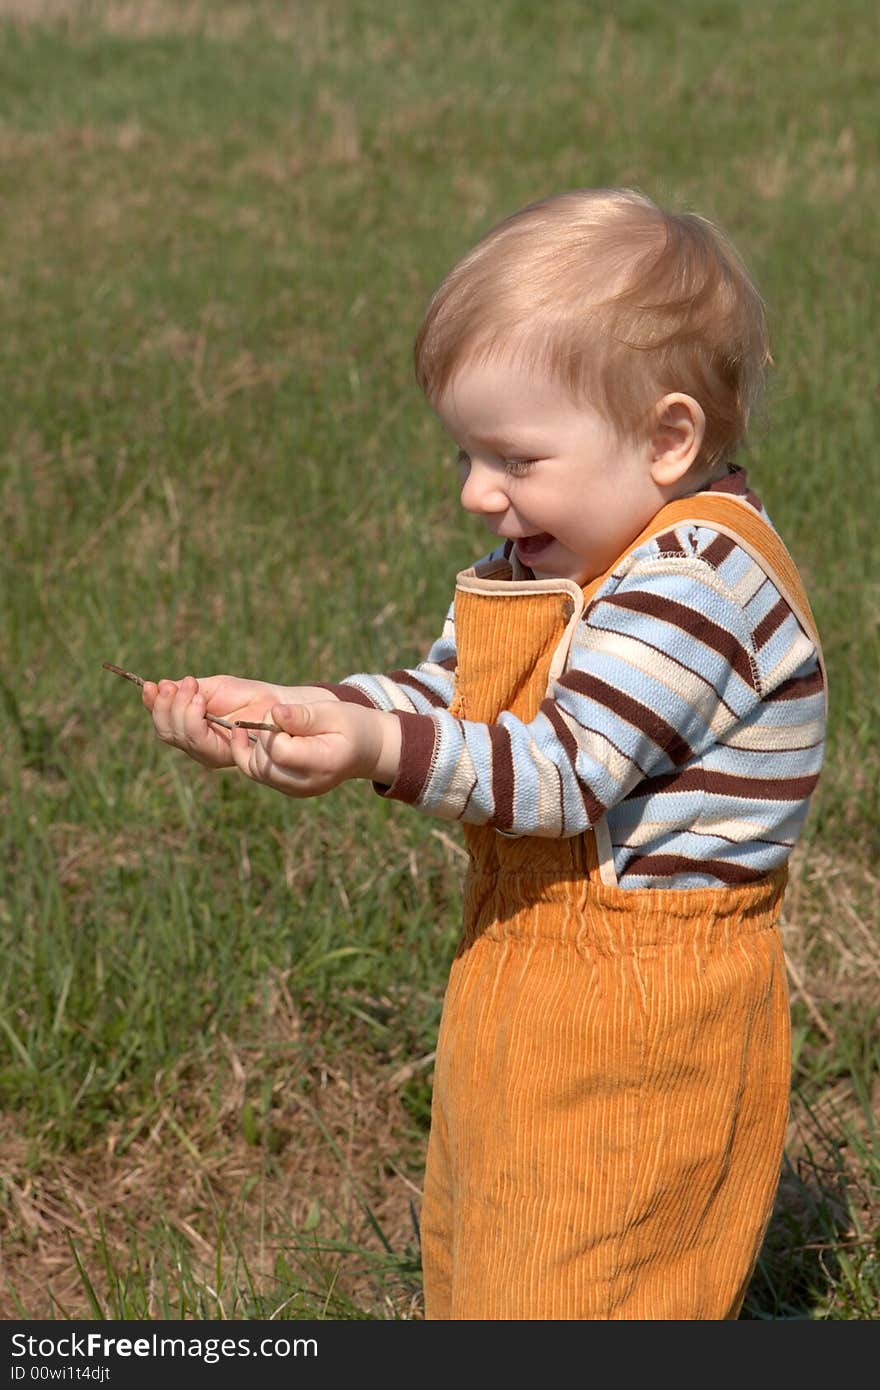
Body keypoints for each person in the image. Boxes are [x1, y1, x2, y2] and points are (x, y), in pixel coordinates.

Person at [142, 188, 827, 1320]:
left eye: (513, 455)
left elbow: (559, 773)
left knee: (594, 1275)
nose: (477, 491)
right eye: (466, 452)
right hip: (522, 970)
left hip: (646, 1010)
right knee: (495, 1255)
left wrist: (377, 747)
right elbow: (453, 696)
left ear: (666, 438)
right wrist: (306, 707)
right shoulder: (561, 549)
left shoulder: (700, 581)